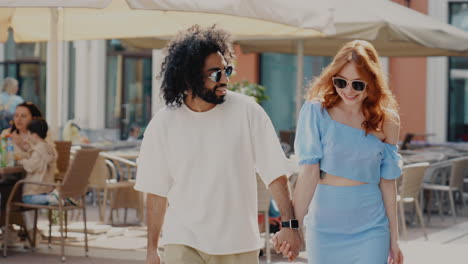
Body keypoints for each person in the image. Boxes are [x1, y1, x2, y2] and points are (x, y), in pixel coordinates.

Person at [134, 25, 301, 264]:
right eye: (215, 74)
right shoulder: (163, 123)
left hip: (238, 243)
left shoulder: (248, 111)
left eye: (227, 70)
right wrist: (152, 249)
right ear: (189, 77)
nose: (225, 79)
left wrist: (289, 225)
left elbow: (275, 173)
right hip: (183, 242)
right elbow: (156, 191)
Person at [274, 40, 404, 264]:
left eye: (358, 84)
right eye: (341, 82)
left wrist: (394, 239)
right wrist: (292, 227)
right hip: (324, 228)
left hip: (372, 227)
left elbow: (388, 184)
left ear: (372, 83)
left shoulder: (388, 121)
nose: (348, 90)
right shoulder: (316, 112)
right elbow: (309, 174)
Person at [17, 118, 57, 205]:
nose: (27, 136)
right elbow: (40, 161)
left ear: (34, 135)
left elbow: (31, 166)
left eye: (28, 133)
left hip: (36, 190)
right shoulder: (48, 148)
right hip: (46, 189)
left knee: (26, 198)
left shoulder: (38, 150)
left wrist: (22, 161)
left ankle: (51, 198)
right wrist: (30, 149)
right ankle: (51, 197)